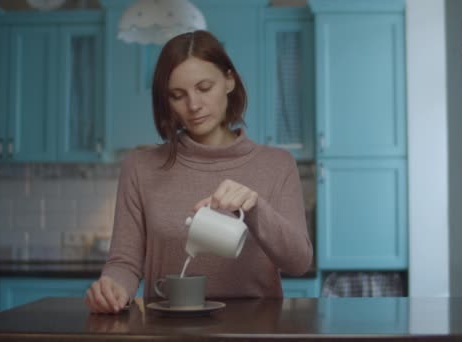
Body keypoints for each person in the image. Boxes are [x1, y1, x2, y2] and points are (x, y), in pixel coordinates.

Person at [85, 30, 313, 314]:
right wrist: (113, 288)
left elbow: (299, 262)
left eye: (204, 88)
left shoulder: (277, 164)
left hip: (254, 329)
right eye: (177, 95)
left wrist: (254, 207)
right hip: (168, 328)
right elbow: (124, 263)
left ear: (229, 80)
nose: (193, 105)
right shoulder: (140, 167)